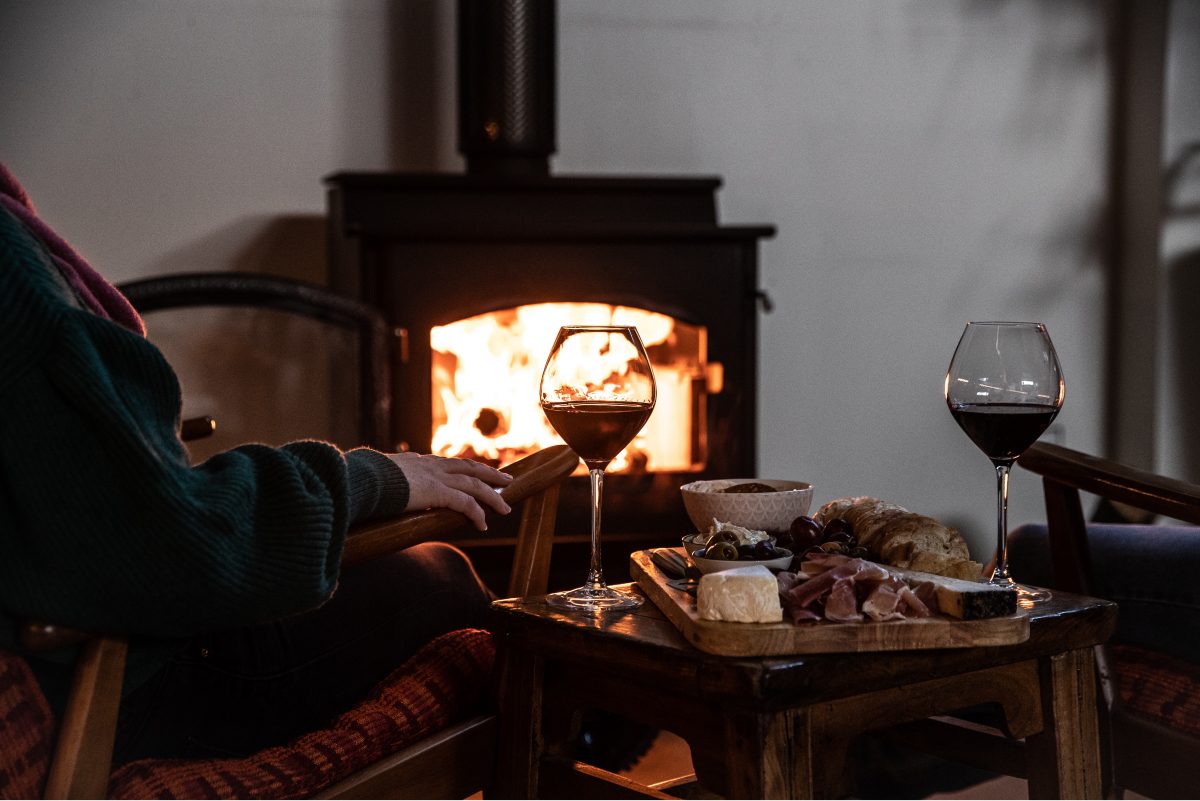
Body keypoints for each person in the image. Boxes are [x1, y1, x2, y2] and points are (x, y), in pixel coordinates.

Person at [0, 161, 512, 763]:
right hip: (110, 687)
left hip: (68, 636)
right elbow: (181, 542)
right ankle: (575, 744)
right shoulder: (14, 272)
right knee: (444, 578)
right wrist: (376, 479)